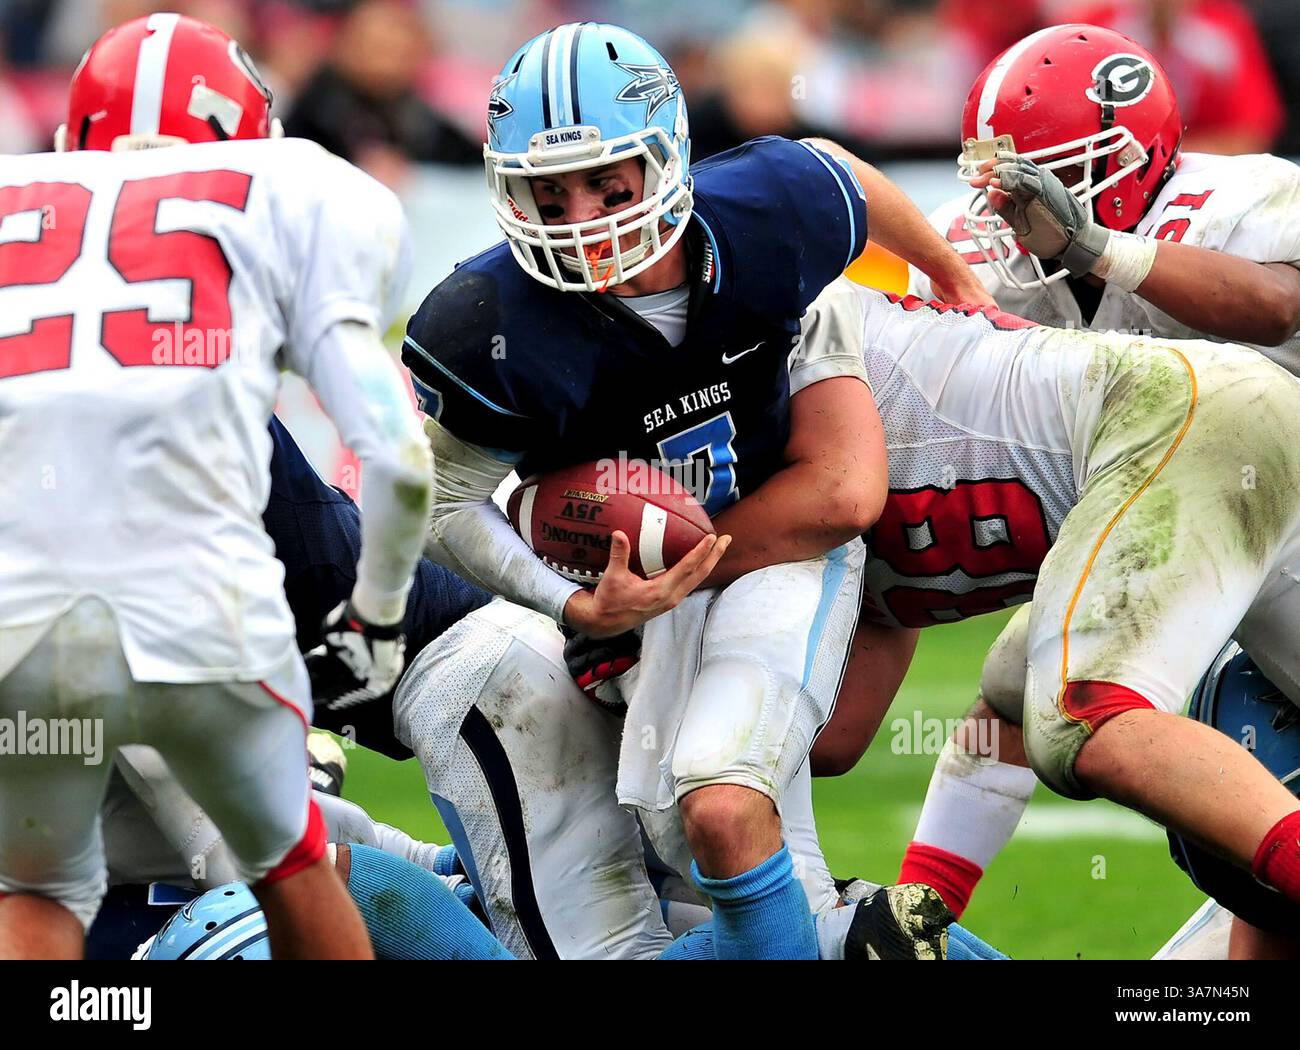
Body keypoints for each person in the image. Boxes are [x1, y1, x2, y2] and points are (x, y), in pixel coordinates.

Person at [403, 21, 989, 959]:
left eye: (607, 184)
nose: (583, 216)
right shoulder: (486, 320)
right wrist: (573, 602)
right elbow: (436, 507)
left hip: (777, 540)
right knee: (689, 850)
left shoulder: (762, 210)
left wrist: (952, 272)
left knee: (720, 804)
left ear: (667, 158)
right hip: (641, 585)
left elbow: (839, 174)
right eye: (548, 193)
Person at [0, 13, 431, 959]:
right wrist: (378, 618)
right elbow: (399, 457)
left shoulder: (18, 192)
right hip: (204, 615)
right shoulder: (290, 192)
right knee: (293, 866)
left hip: (25, 619)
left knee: (34, 895)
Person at [871, 26, 1300, 952]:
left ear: (1138, 158)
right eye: (1004, 182)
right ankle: (920, 913)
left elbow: (1278, 301)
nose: (1019, 209)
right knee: (1021, 682)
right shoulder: (979, 252)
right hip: (1200, 525)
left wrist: (1099, 246)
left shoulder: (1240, 197)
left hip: (1276, 509)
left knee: (1085, 703)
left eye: (1055, 176)